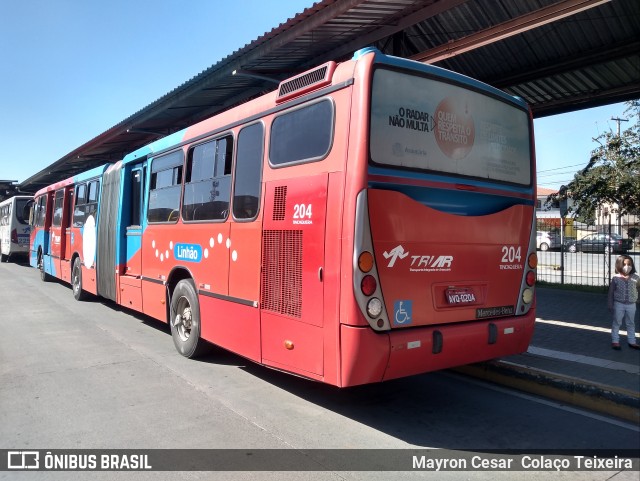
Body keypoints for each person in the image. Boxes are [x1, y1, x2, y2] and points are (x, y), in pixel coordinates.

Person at [608, 255, 640, 350]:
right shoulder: (616, 278)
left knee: (631, 323)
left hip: (631, 304)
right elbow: (611, 292)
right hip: (619, 304)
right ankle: (615, 341)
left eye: (629, 264)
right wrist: (610, 303)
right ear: (619, 265)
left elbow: (638, 288)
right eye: (624, 264)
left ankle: (632, 341)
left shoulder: (636, 277)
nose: (627, 266)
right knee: (617, 322)